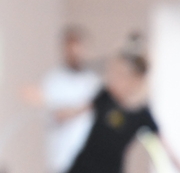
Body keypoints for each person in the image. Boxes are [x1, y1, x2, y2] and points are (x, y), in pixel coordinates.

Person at [60, 35, 179, 173]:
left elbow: (164, 143)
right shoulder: (106, 96)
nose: (113, 79)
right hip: (83, 166)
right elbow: (80, 109)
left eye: (119, 75)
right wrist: (64, 114)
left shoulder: (141, 112)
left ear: (135, 80)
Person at [39, 26, 101, 173]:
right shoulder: (53, 81)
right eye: (70, 47)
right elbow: (57, 115)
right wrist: (86, 106)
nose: (74, 52)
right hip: (63, 161)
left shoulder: (92, 81)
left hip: (90, 161)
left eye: (78, 47)